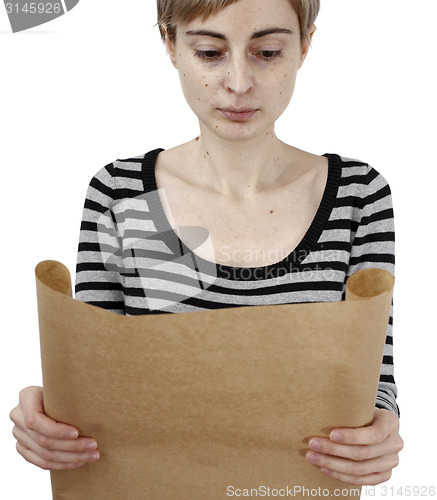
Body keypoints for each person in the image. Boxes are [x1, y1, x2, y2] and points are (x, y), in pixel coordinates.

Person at [10, 0, 403, 487]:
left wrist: (383, 429)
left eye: (268, 51)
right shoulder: (119, 192)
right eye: (210, 52)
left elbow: (372, 379)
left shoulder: (358, 196)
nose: (238, 83)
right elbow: (98, 385)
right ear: (170, 44)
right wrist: (48, 413)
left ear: (305, 46)